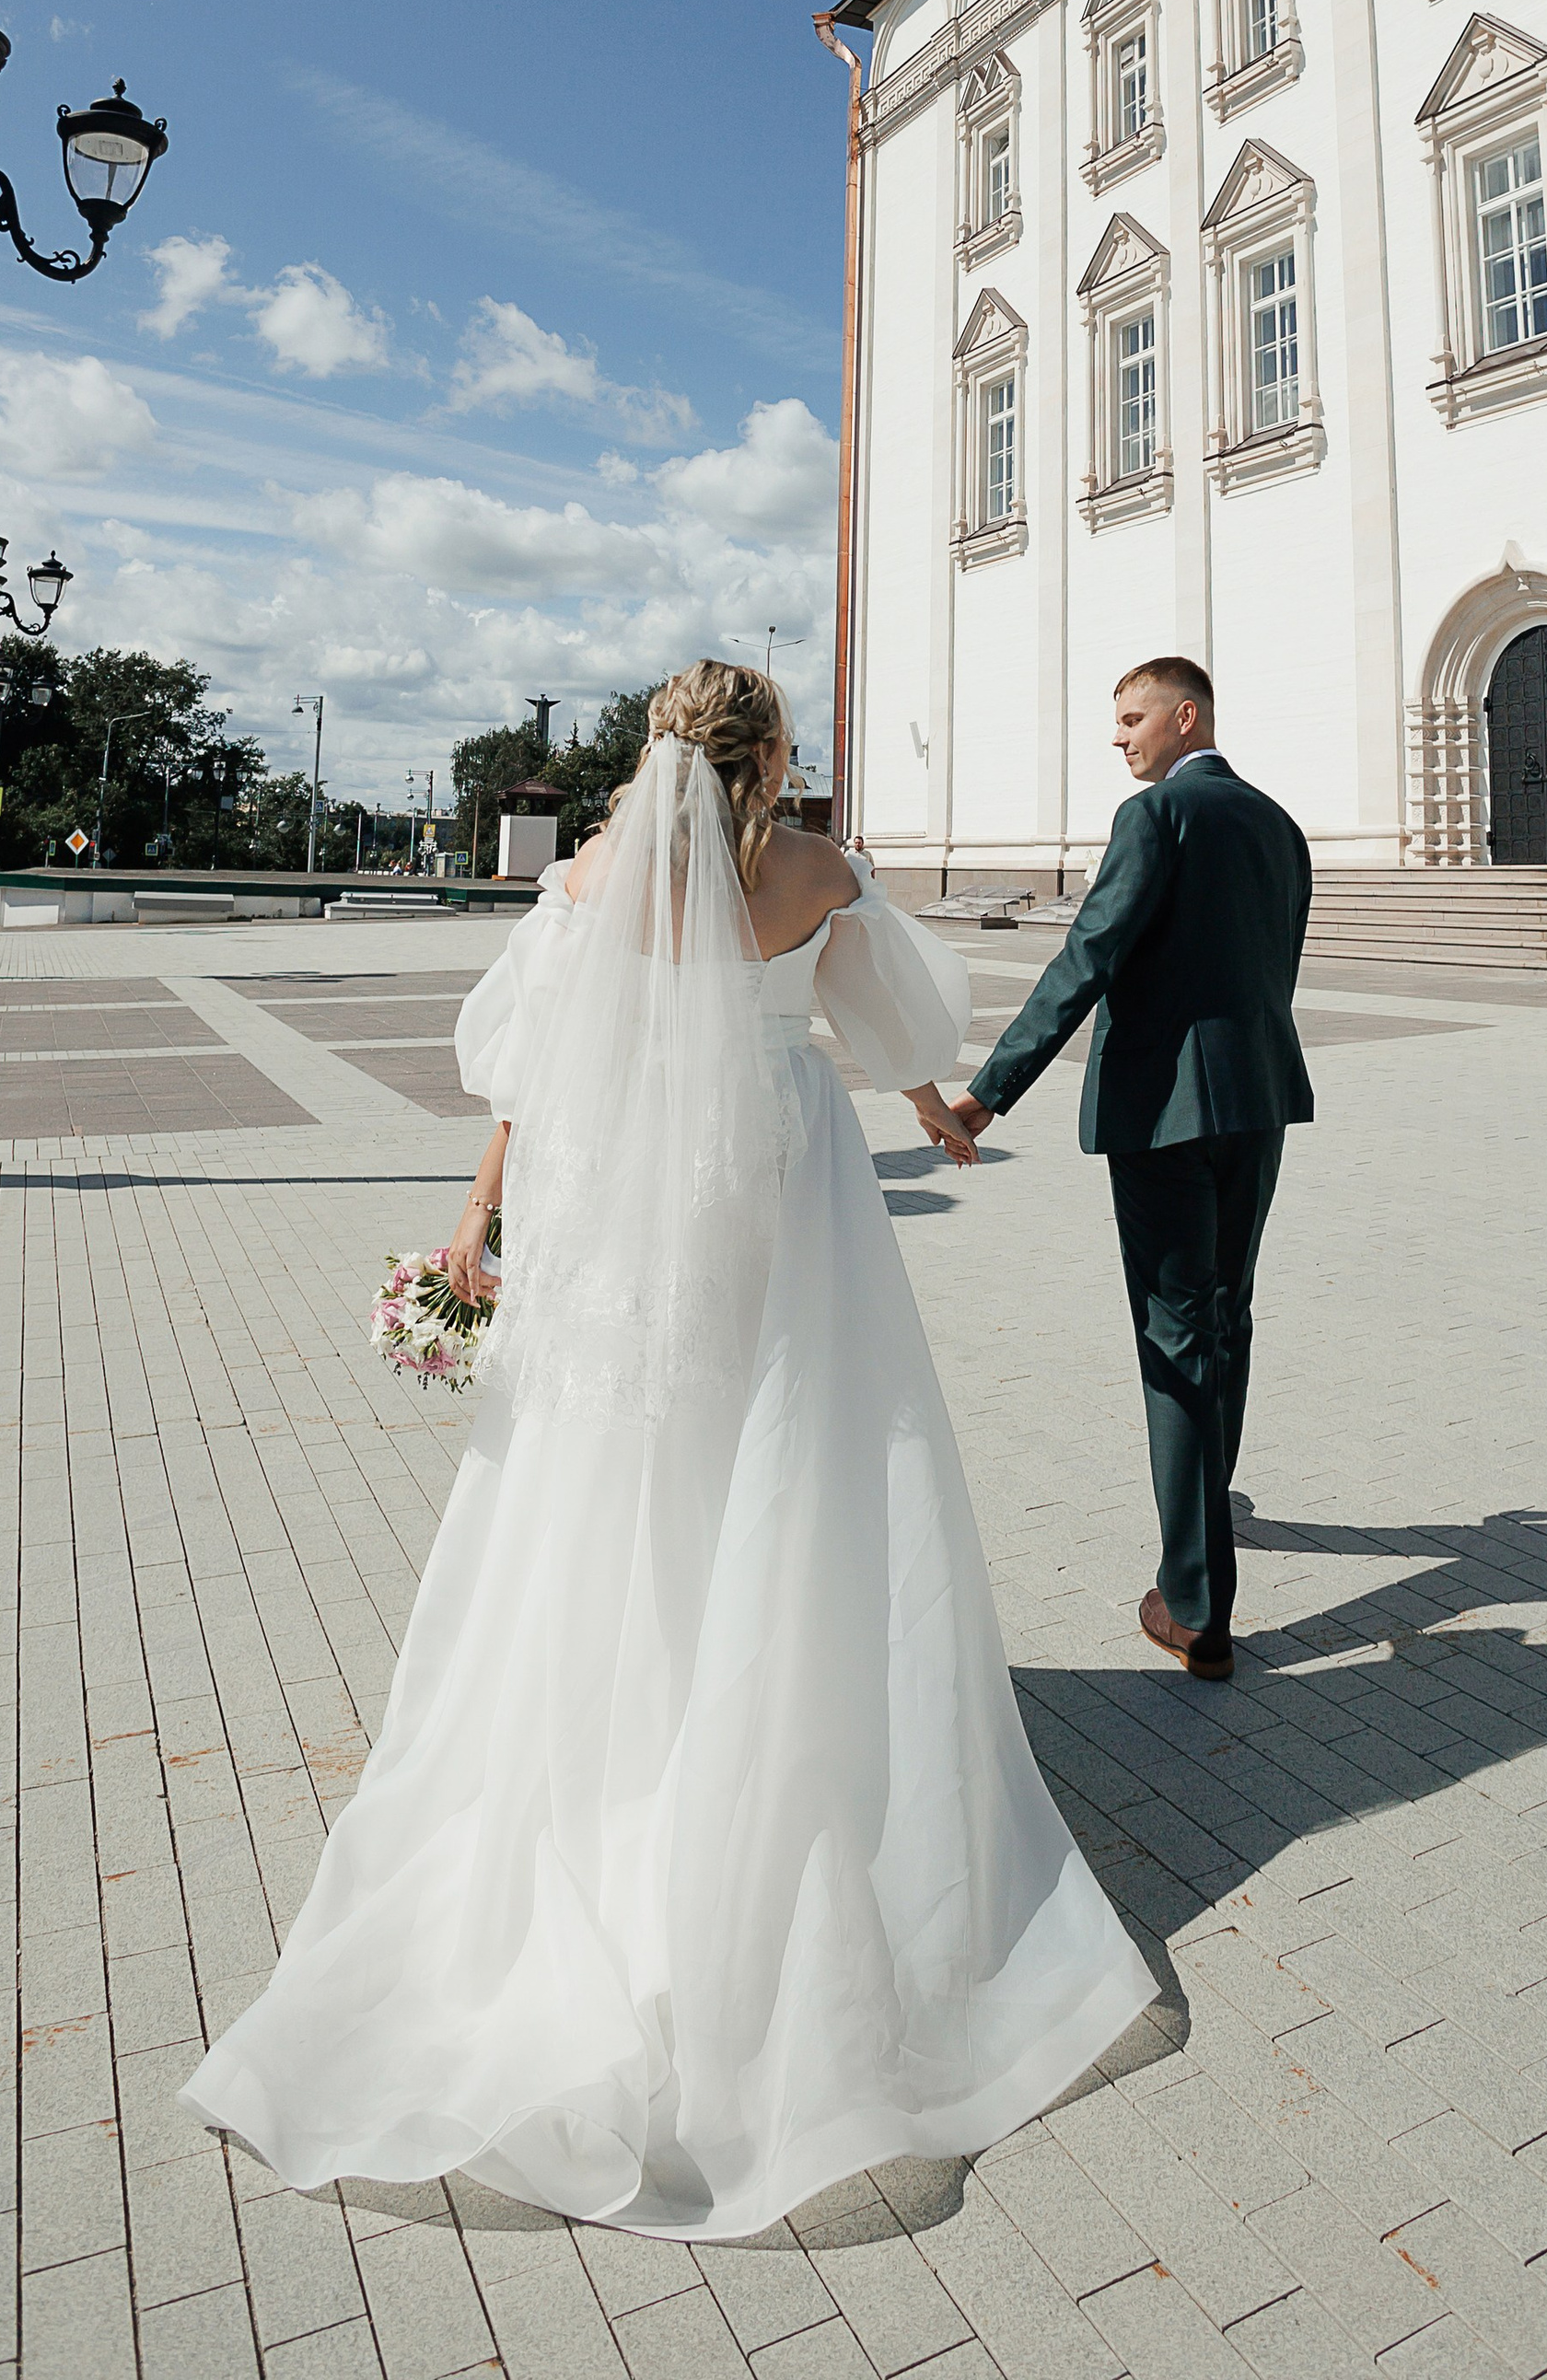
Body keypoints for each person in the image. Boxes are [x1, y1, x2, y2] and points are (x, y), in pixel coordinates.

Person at [182, 661, 1153, 2240]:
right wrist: (942, 1108)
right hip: (784, 1197)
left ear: (655, 753)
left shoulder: (586, 877)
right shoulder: (819, 872)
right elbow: (892, 1022)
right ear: (770, 753)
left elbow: (523, 1063)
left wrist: (478, 1215)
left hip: (621, 1204)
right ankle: (772, 1725)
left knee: (612, 1473)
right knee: (801, 1457)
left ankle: (615, 1742)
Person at [948, 658, 1312, 1684]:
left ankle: (1194, 1601)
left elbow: (1089, 954)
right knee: (1226, 1312)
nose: (1119, 739)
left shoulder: (1154, 817)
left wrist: (991, 1087)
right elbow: (1272, 963)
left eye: (1131, 718)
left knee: (1176, 1332)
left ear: (1182, 715)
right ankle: (1205, 1509)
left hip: (1162, 1112)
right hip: (1256, 1100)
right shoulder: (1279, 826)